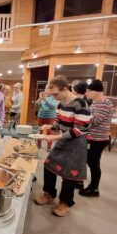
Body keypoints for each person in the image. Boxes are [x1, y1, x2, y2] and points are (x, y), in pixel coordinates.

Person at [34, 75, 90, 217]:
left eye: (56, 94)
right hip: (64, 140)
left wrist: (55, 136)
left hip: (77, 144)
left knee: (69, 175)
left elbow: (79, 130)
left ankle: (65, 202)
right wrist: (51, 125)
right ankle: (49, 194)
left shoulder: (80, 105)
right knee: (49, 166)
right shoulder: (61, 103)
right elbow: (60, 123)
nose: (54, 97)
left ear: (65, 89)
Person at [79, 80, 114, 197]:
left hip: (98, 139)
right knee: (89, 161)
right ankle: (84, 184)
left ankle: (94, 189)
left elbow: (94, 121)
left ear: (96, 91)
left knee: (93, 164)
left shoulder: (104, 103)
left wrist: (80, 116)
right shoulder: (95, 102)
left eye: (89, 91)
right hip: (92, 138)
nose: (86, 94)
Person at [36, 84, 58, 151]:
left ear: (51, 90)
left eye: (48, 89)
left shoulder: (54, 97)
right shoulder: (42, 96)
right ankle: (39, 145)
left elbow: (52, 107)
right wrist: (40, 99)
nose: (46, 90)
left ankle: (49, 147)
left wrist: (45, 100)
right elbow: (37, 105)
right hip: (41, 116)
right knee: (39, 131)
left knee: (49, 132)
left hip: (50, 117)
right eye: (46, 89)